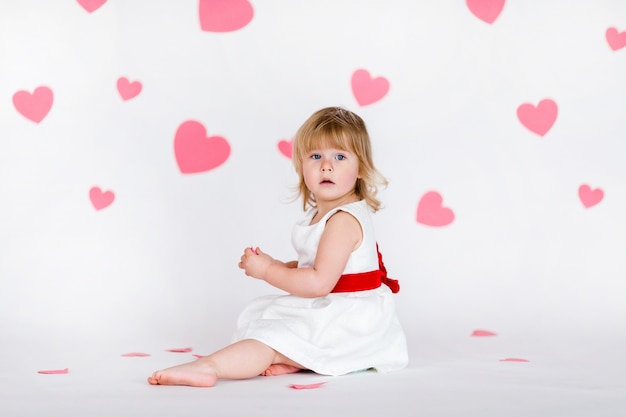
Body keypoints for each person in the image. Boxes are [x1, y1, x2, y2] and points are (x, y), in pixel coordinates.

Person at [148, 106, 408, 387]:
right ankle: (295, 359)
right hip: (340, 309)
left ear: (361, 169)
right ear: (301, 166)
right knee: (272, 324)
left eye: (340, 156)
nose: (326, 166)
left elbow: (320, 282)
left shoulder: (342, 221)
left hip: (351, 323)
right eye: (316, 156)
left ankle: (208, 367)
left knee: (270, 337)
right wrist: (283, 266)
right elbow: (319, 266)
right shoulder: (325, 214)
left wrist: (268, 271)